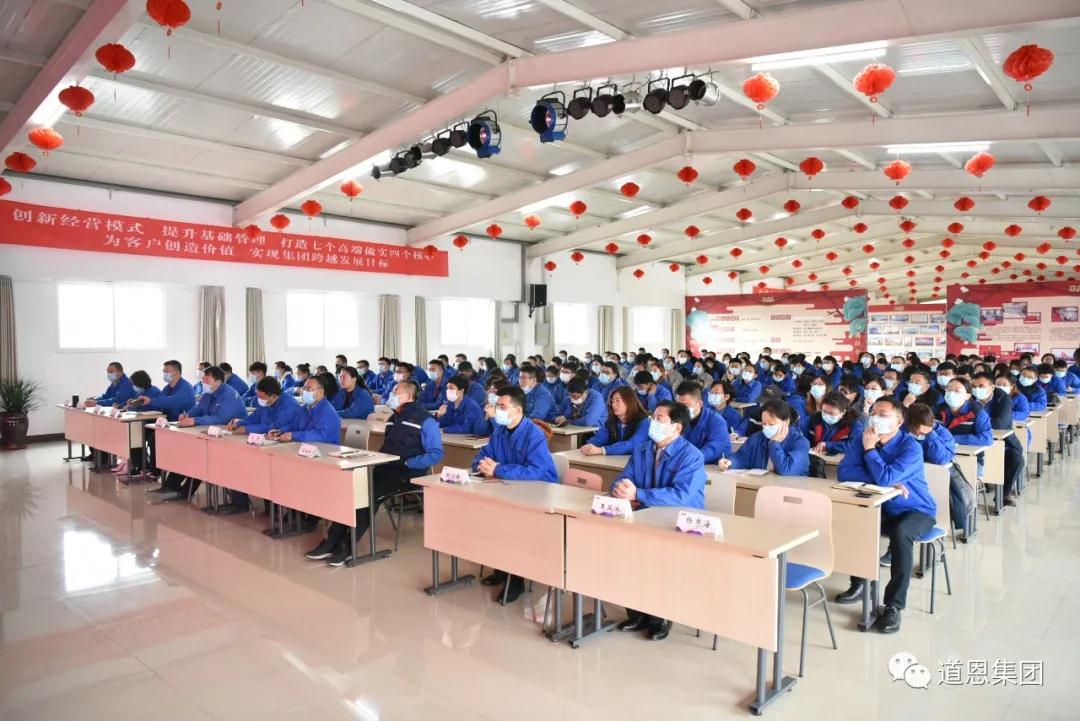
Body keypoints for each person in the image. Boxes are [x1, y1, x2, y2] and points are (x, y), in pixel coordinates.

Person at [305, 379, 443, 566]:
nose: (392, 395)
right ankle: (331, 540)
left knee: (368, 495)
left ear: (408, 395)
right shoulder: (394, 418)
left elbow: (436, 454)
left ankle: (347, 545)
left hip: (407, 474)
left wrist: (409, 462)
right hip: (385, 468)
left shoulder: (426, 420)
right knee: (352, 490)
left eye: (396, 391)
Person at [835, 397, 936, 634]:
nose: (875, 418)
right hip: (883, 507)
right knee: (856, 521)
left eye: (883, 415)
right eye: (873, 413)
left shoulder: (910, 447)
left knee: (902, 534)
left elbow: (886, 477)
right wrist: (885, 480)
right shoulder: (863, 439)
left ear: (899, 422)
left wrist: (871, 452)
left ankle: (893, 605)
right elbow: (844, 472)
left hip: (915, 510)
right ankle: (860, 582)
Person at [611, 401, 707, 642]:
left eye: (659, 419)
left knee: (660, 561)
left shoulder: (692, 456)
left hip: (678, 523)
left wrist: (639, 494)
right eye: (653, 417)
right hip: (645, 516)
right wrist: (621, 488)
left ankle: (660, 618)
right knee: (628, 555)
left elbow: (681, 495)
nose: (653, 422)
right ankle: (636, 613)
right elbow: (624, 478)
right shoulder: (643, 449)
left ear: (676, 427)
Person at [472, 386, 559, 603]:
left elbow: (536, 471)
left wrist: (498, 469)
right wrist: (482, 465)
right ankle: (502, 569)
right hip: (510, 487)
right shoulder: (500, 431)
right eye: (497, 406)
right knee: (491, 517)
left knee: (513, 524)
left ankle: (516, 579)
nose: (497, 410)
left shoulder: (534, 434)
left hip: (538, 492)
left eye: (502, 406)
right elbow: (483, 455)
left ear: (518, 410)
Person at [147, 365, 246, 502]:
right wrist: (187, 415)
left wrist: (195, 420)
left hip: (230, 438)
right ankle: (171, 487)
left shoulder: (229, 395)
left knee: (197, 456)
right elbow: (198, 408)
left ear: (218, 381)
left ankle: (184, 491)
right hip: (209, 435)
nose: (203, 383)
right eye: (203, 380)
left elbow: (221, 419)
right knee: (186, 452)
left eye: (207, 380)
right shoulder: (208, 393)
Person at [219, 377, 303, 514]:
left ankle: (273, 510)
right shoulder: (266, 402)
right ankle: (241, 502)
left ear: (273, 395)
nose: (259, 399)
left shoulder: (289, 405)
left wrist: (247, 429)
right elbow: (255, 417)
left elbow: (275, 426)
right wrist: (239, 424)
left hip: (284, 446)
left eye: (261, 396)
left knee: (267, 473)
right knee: (238, 462)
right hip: (264, 443)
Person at [970, 372, 1024, 506]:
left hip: (1003, 442)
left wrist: (977, 422)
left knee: (1016, 459)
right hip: (974, 442)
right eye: (974, 386)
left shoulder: (1003, 398)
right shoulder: (967, 397)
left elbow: (1000, 423)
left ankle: (1004, 493)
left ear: (992, 387)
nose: (977, 389)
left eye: (981, 386)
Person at [719, 399, 809, 475]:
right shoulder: (757, 438)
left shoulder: (800, 443)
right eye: (764, 424)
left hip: (790, 488)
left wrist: (775, 443)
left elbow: (786, 470)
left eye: (771, 424)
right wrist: (730, 462)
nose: (766, 427)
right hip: (761, 485)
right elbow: (742, 457)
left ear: (786, 422)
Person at [804, 391, 862, 478]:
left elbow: (854, 446)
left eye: (831, 413)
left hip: (841, 465)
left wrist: (828, 445)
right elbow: (800, 436)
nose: (826, 415)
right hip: (814, 461)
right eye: (824, 411)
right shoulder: (814, 419)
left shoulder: (854, 424)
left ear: (843, 412)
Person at [579, 386, 650, 456]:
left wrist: (602, 450)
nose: (613, 404)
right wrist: (587, 446)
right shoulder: (611, 422)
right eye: (612, 401)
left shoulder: (645, 422)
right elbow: (600, 439)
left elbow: (632, 444)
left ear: (629, 401)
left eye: (617, 401)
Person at [675, 381, 731, 463]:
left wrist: (688, 459)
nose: (681, 410)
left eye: (686, 406)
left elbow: (712, 449)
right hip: (686, 463)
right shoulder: (676, 419)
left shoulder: (716, 421)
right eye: (678, 406)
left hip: (712, 465)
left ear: (700, 404)